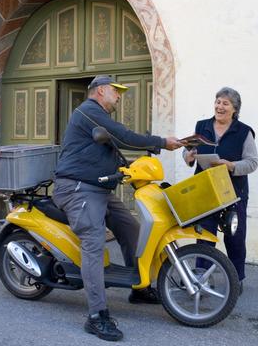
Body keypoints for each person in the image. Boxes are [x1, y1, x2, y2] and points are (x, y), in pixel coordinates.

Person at [53, 75, 183, 342]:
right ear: (101, 91)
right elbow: (122, 136)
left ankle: (140, 288)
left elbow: (109, 143)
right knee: (93, 242)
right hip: (78, 188)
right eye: (116, 91)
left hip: (97, 188)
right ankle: (96, 316)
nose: (119, 96)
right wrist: (161, 142)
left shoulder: (98, 115)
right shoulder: (89, 111)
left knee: (131, 229)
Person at [183, 87, 258, 295]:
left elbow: (252, 163)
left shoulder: (244, 132)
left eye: (225, 103)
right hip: (205, 190)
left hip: (233, 193)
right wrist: (188, 157)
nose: (219, 106)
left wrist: (231, 166)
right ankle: (202, 277)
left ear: (234, 109)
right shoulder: (202, 126)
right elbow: (187, 151)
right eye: (217, 101)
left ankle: (236, 278)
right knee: (205, 234)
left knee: (235, 236)